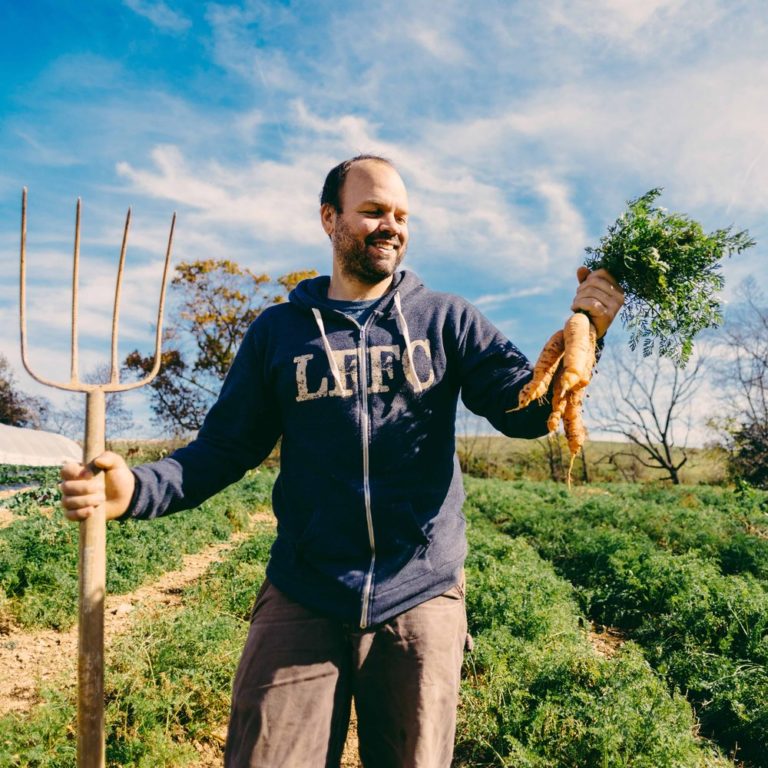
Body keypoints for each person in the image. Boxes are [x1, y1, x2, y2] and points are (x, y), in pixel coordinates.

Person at [60, 154, 624, 767]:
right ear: (330, 218)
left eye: (401, 215)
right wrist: (137, 490)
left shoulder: (446, 319)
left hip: (419, 590)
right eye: (373, 211)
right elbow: (224, 448)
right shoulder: (279, 332)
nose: (391, 226)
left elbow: (525, 411)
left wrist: (588, 329)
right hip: (306, 587)